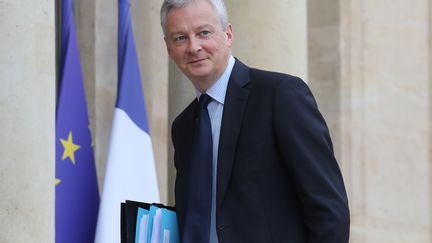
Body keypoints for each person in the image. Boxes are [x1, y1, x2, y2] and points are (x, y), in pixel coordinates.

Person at [160, 0, 350, 242]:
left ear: (228, 34)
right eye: (180, 38)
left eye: (204, 32)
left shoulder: (279, 95)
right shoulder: (183, 127)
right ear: (168, 49)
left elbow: (329, 210)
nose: (194, 47)